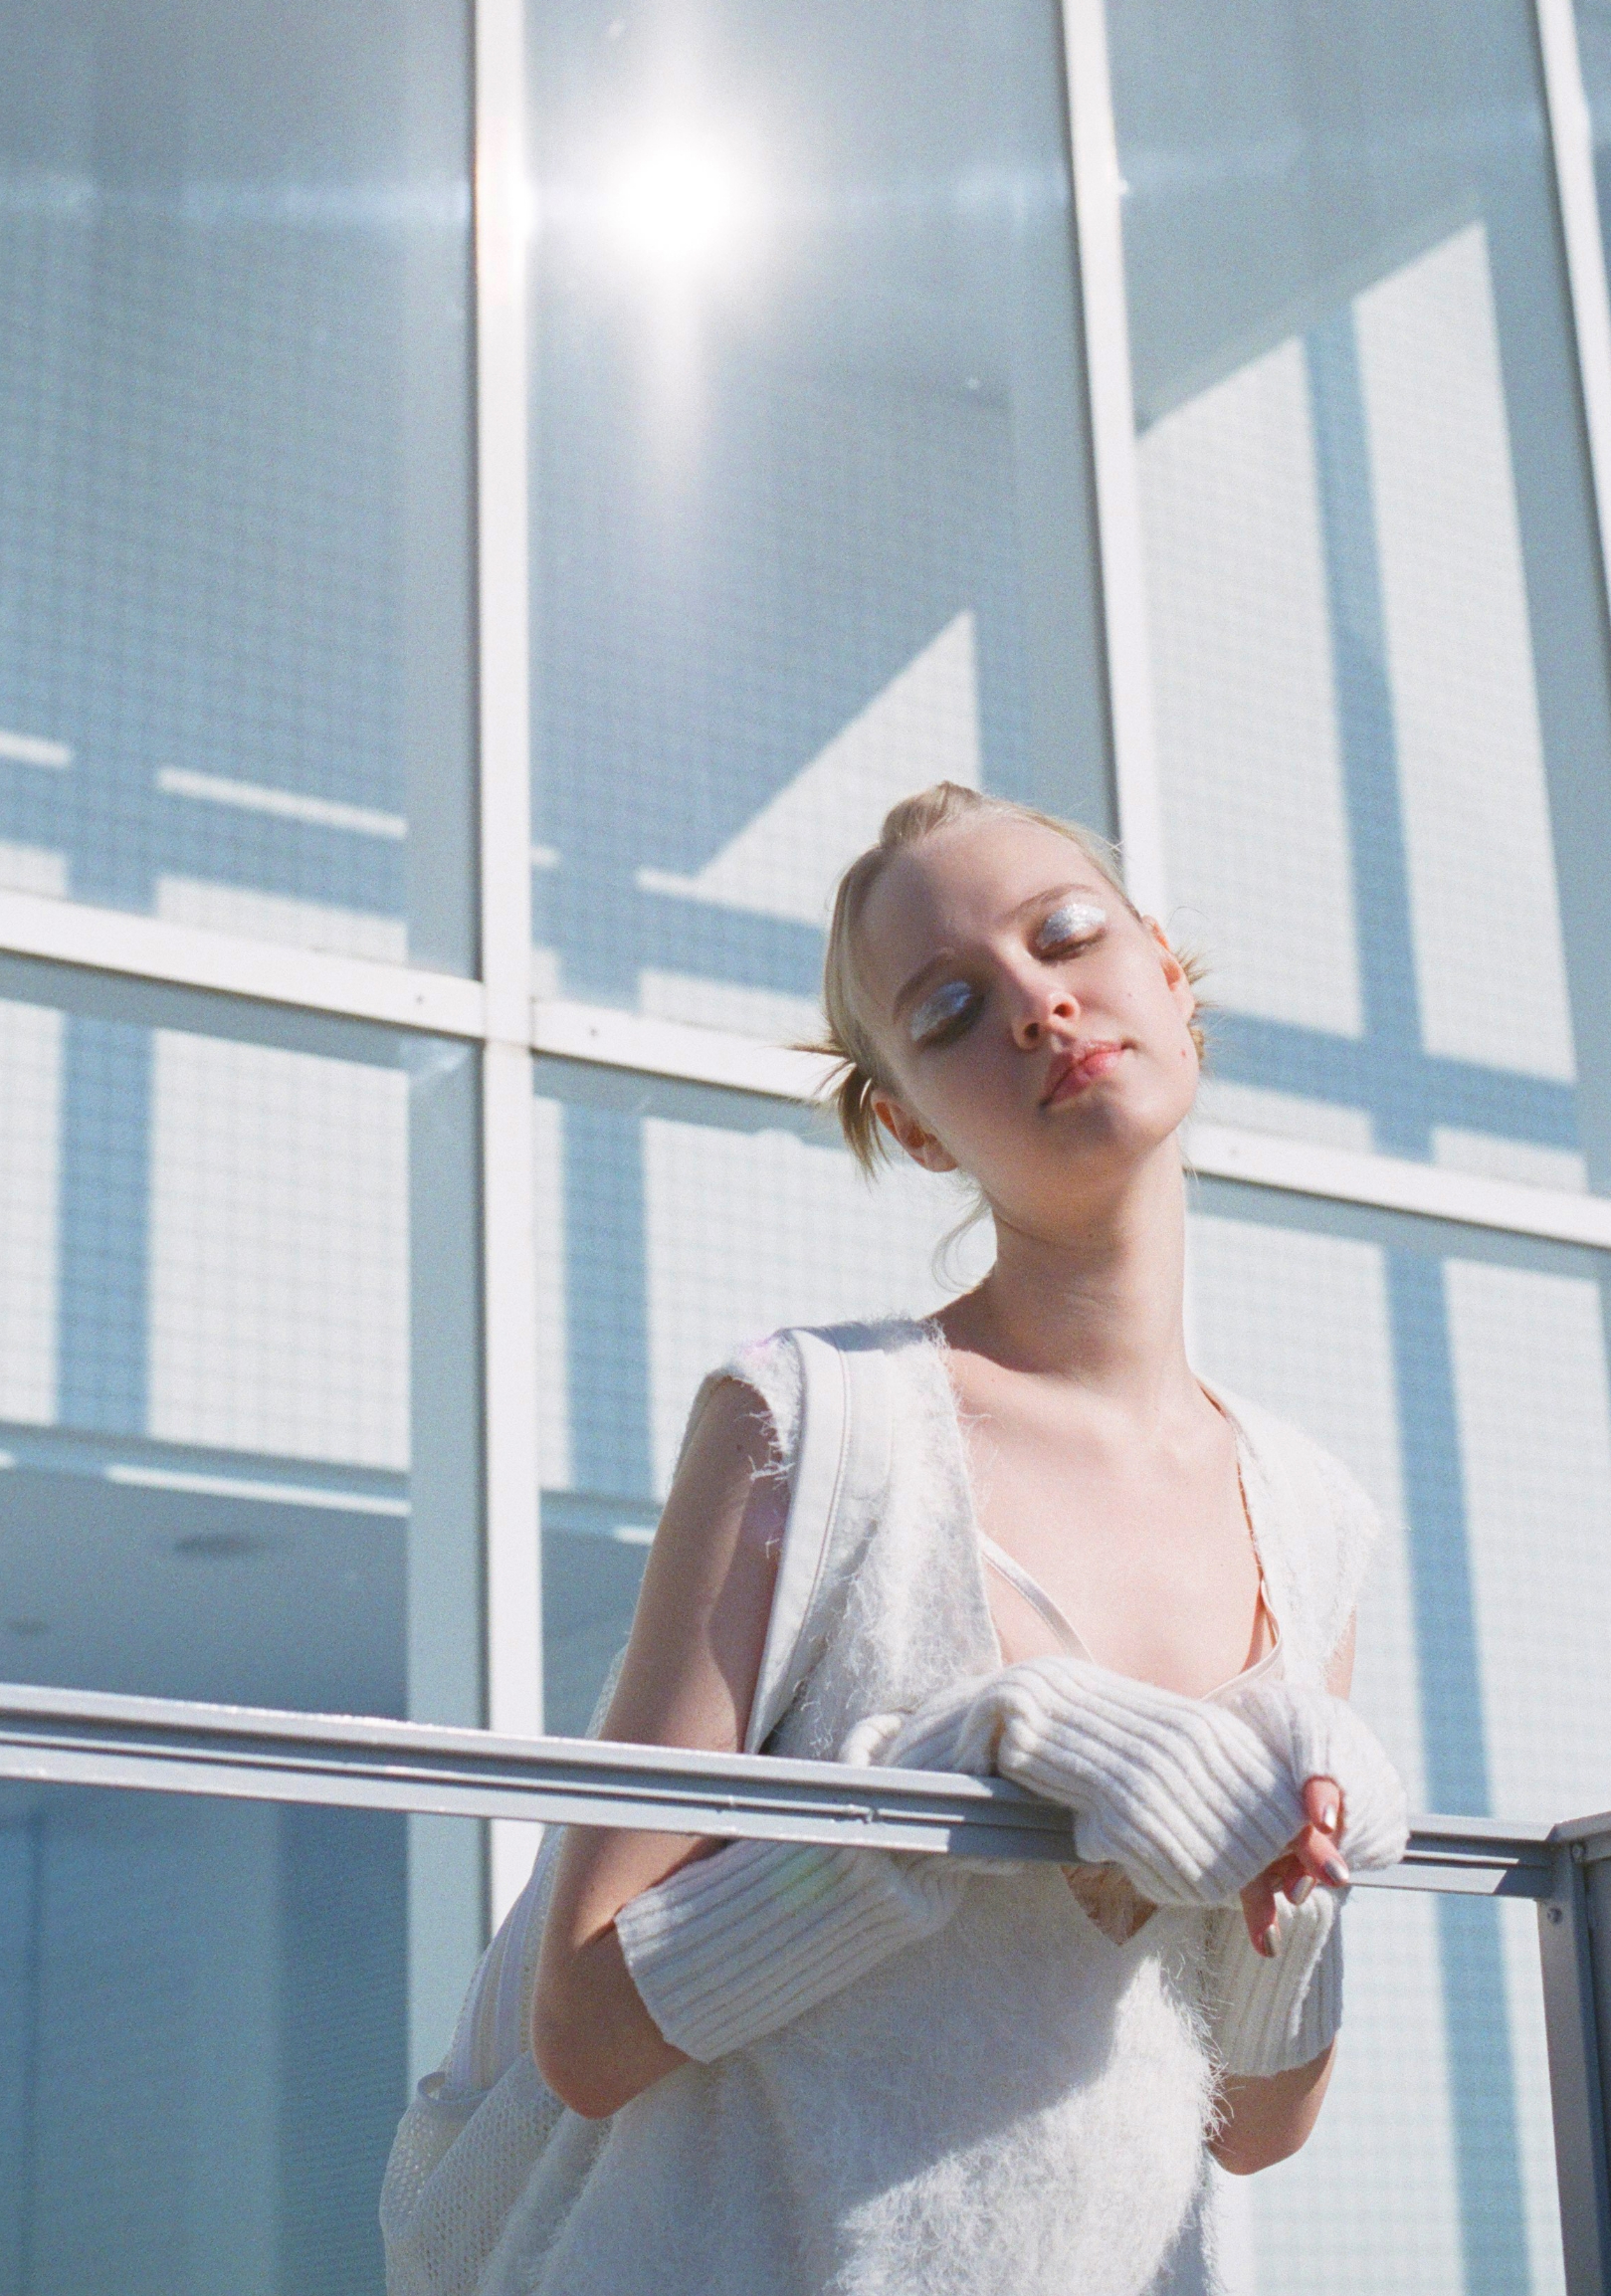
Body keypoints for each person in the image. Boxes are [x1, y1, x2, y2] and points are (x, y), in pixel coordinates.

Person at [382, 781, 1408, 2296]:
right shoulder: (815, 1423)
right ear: (911, 1126)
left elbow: (1256, 2124)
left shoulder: (1312, 1518)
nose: (1039, 1004)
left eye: (1067, 936)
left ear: (1169, 977)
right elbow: (586, 2030)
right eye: (948, 1011)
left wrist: (1299, 1865)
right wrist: (945, 1777)